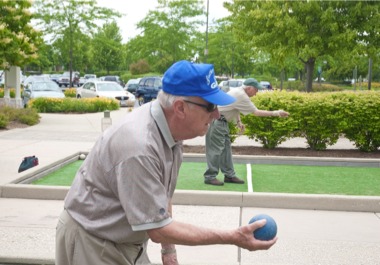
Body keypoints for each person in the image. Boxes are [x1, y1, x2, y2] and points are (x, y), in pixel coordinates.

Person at [55, 61, 277, 265]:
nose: (217, 114)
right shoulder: (139, 146)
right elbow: (159, 230)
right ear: (180, 108)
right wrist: (233, 237)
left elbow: (162, 198)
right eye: (210, 106)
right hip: (92, 241)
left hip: (125, 240)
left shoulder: (172, 133)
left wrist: (168, 251)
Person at [204, 78, 289, 186]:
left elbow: (235, 107)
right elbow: (256, 112)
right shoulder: (242, 95)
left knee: (226, 151)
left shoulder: (238, 91)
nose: (256, 93)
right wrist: (277, 113)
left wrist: (238, 122)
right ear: (250, 88)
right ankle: (210, 177)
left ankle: (229, 175)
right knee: (215, 150)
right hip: (217, 122)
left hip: (221, 122)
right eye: (256, 90)